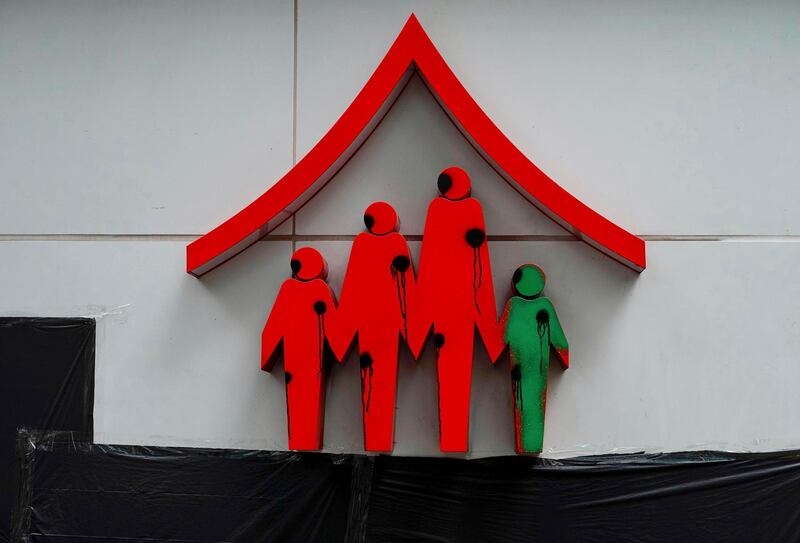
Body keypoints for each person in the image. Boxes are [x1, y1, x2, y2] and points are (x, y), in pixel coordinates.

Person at [410, 166, 506, 452]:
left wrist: (417, 329)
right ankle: (452, 438)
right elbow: (477, 268)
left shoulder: (448, 211)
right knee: (453, 372)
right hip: (459, 306)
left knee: (452, 372)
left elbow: (432, 265)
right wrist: (489, 331)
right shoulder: (455, 211)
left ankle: (453, 438)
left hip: (451, 306)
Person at [329, 202, 415, 452]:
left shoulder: (366, 245)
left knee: (375, 379)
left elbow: (354, 289)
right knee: (377, 378)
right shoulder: (382, 245)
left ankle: (377, 439)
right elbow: (405, 287)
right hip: (383, 320)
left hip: (374, 322)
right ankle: (377, 439)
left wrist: (342, 333)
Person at [261, 247, 340, 451]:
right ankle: (303, 440)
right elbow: (334, 328)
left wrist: (267, 355)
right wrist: (341, 349)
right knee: (307, 396)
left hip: (297, 355)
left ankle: (302, 440)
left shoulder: (291, 289)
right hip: (312, 355)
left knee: (299, 398)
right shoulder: (317, 290)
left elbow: (271, 330)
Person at [501, 264, 569, 454]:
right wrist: (564, 358)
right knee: (533, 405)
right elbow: (562, 345)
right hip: (537, 368)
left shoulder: (513, 307)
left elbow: (498, 342)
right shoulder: (544, 306)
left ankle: (529, 444)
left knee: (524, 403)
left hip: (520, 369)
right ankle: (530, 444)